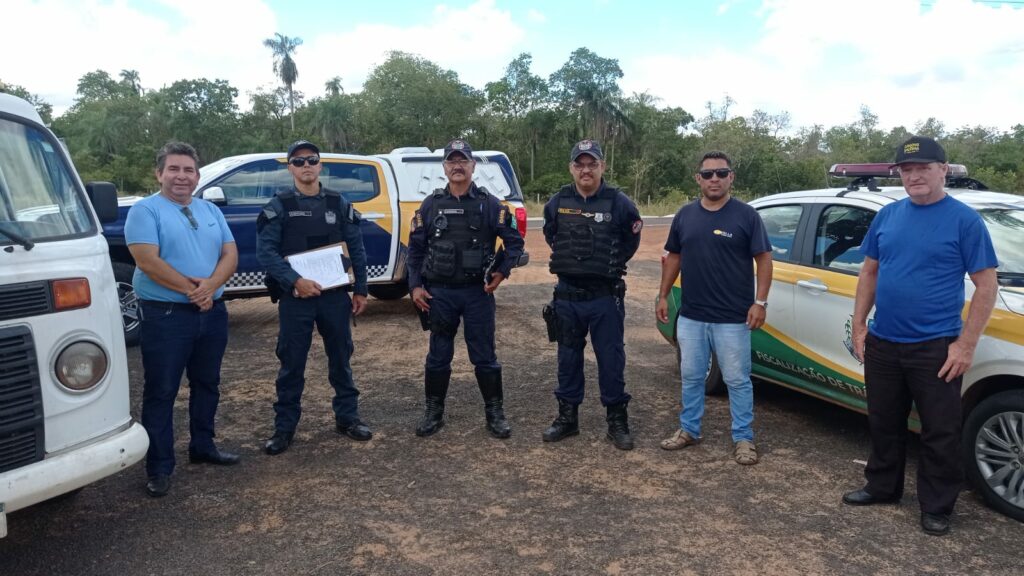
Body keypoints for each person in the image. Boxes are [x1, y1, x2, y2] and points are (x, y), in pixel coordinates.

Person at [843, 136, 998, 536]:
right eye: (907, 170)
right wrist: (860, 325)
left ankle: (937, 505)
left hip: (936, 347)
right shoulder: (888, 216)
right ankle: (881, 487)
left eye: (923, 168)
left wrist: (966, 344)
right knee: (883, 421)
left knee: (940, 430)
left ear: (943, 170)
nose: (914, 176)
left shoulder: (964, 220)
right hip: (884, 342)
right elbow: (869, 272)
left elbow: (986, 285)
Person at [125, 141, 239, 498]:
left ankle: (202, 446)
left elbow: (230, 253)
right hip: (166, 316)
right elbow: (147, 261)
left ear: (197, 175)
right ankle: (159, 466)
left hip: (212, 314)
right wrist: (196, 291)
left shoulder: (210, 210)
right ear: (159, 173)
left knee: (207, 383)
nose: (181, 176)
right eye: (173, 169)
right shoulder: (145, 211)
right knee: (161, 391)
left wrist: (211, 288)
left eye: (188, 170)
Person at [656, 151, 773, 465]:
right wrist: (663, 295)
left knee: (737, 379)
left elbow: (764, 259)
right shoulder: (684, 215)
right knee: (692, 376)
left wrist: (759, 302)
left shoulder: (747, 216)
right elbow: (674, 257)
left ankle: (743, 438)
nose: (714, 179)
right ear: (698, 179)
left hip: (733, 318)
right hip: (692, 316)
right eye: (707, 174)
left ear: (731, 177)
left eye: (721, 173)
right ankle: (689, 429)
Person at [257, 140, 370, 455]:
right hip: (296, 298)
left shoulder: (338, 203)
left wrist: (360, 289)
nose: (306, 166)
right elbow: (265, 252)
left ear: (320, 165)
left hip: (334, 297)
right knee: (292, 363)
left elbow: (356, 247)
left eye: (312, 160)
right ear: (290, 167)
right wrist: (295, 281)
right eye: (299, 161)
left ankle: (348, 418)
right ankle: (284, 429)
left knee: (341, 359)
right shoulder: (279, 205)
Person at [407, 139, 525, 438]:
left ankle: (495, 413)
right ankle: (434, 412)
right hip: (439, 294)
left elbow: (514, 242)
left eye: (463, 161)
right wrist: (415, 286)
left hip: (476, 294)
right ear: (444, 167)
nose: (457, 166)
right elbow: (416, 249)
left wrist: (501, 272)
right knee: (438, 356)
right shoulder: (430, 204)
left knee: (484, 356)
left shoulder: (490, 204)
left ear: (472, 166)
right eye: (451, 161)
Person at [540, 139, 643, 450]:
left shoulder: (619, 202)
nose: (586, 169)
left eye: (592, 163)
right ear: (572, 167)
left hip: (605, 298)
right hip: (568, 296)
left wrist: (604, 265)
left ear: (602, 166)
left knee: (611, 359)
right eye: (580, 164)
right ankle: (567, 418)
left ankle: (617, 420)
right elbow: (551, 235)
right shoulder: (556, 202)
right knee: (567, 358)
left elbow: (630, 241)